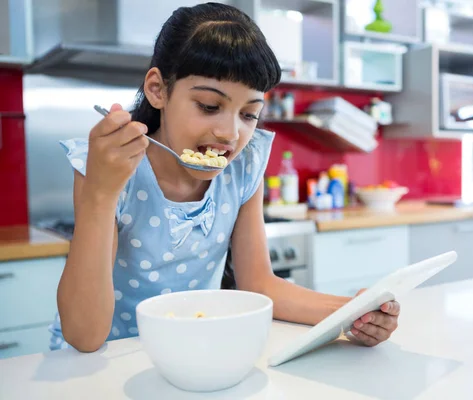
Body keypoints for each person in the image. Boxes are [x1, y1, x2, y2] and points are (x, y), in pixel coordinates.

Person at [49, 2, 400, 352]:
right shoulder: (106, 168)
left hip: (191, 353)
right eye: (209, 106)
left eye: (249, 114)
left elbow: (259, 285)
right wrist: (101, 191)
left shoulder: (244, 166)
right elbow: (84, 335)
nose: (230, 134)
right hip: (105, 363)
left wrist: (353, 312)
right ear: (158, 90)